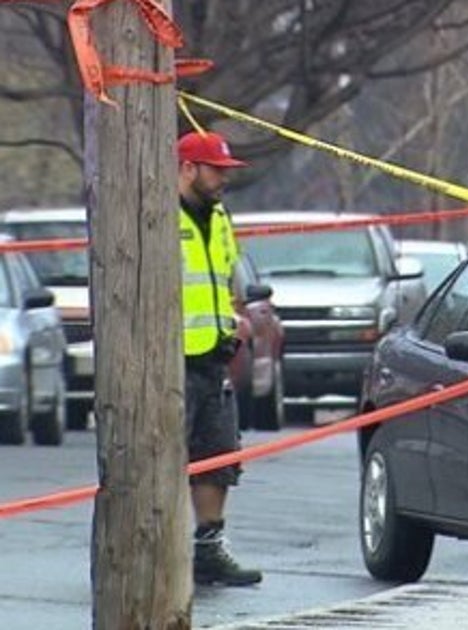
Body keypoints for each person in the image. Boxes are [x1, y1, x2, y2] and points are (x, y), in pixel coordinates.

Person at [178, 130, 263, 586]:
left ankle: (208, 550)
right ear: (187, 168)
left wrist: (236, 319)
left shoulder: (220, 218)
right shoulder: (157, 217)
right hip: (168, 361)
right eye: (216, 170)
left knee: (218, 456)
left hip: (214, 356)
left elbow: (229, 280)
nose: (224, 179)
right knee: (159, 459)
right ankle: (151, 553)